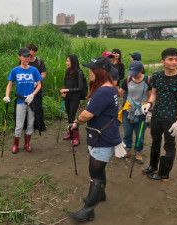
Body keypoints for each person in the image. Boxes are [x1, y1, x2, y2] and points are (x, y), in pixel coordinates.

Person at [68, 56, 126, 221]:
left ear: (101, 72)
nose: (89, 72)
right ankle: (100, 195)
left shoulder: (103, 91)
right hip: (104, 134)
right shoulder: (108, 88)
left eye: (92, 69)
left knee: (95, 173)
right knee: (99, 170)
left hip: (102, 138)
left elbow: (87, 114)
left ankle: (88, 211)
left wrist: (76, 122)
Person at [141, 48, 177, 181]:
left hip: (171, 118)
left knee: (169, 145)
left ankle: (164, 173)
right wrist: (149, 104)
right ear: (163, 61)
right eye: (171, 59)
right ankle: (153, 166)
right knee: (155, 142)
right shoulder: (157, 76)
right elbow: (154, 94)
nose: (174, 62)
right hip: (157, 115)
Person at [3, 47, 42, 154]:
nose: (26, 58)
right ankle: (15, 144)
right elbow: (10, 84)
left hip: (31, 101)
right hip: (20, 101)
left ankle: (27, 144)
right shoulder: (15, 70)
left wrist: (33, 95)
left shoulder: (34, 70)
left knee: (30, 123)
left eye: (28, 56)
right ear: (19, 57)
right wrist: (7, 96)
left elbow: (39, 84)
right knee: (19, 124)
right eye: (24, 56)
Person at [118, 61, 152, 163]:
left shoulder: (148, 80)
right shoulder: (128, 80)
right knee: (127, 133)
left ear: (141, 70)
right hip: (128, 110)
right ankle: (128, 150)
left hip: (142, 111)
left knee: (140, 134)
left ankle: (138, 152)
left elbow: (151, 96)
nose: (133, 75)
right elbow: (120, 93)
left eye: (135, 72)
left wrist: (150, 110)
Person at [60, 54, 84, 146]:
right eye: (66, 61)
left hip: (75, 98)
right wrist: (65, 92)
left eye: (68, 61)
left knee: (72, 117)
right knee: (68, 116)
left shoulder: (79, 73)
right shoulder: (67, 71)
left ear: (73, 62)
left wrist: (67, 90)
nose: (66, 63)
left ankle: (76, 138)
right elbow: (65, 84)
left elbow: (80, 88)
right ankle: (71, 134)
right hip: (68, 97)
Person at [27, 43, 47, 130]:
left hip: (37, 88)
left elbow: (43, 73)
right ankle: (29, 125)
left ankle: (40, 124)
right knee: (27, 106)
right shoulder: (24, 61)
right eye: (30, 50)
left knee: (39, 106)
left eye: (33, 51)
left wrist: (37, 81)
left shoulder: (39, 61)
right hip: (27, 88)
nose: (32, 52)